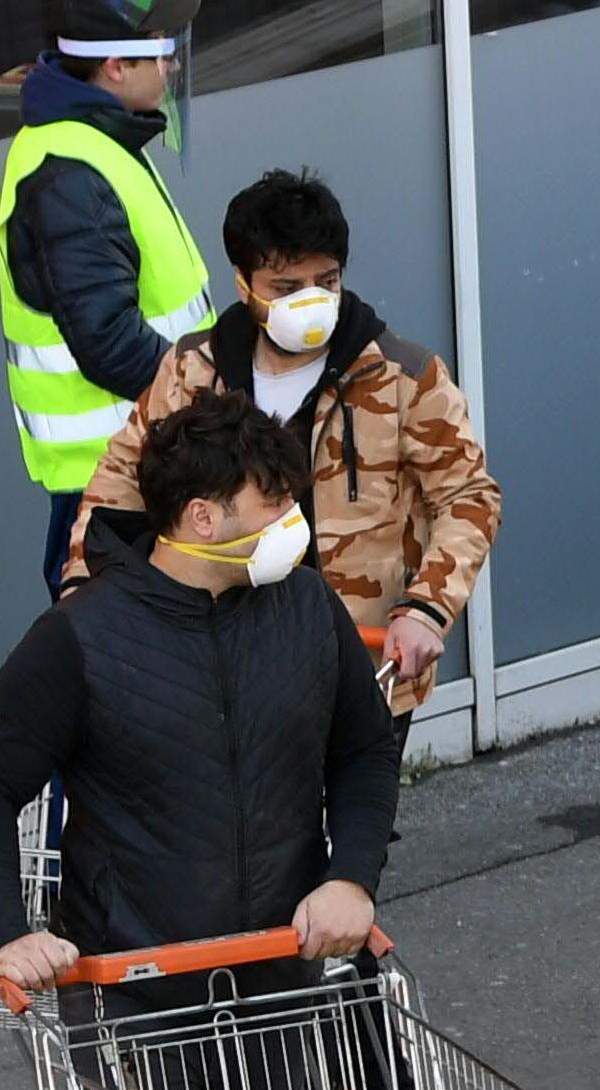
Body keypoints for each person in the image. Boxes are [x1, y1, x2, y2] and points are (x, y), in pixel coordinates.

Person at [0, 393, 398, 1090]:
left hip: (269, 989)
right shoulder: (84, 640)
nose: (295, 527)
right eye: (276, 504)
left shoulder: (302, 614)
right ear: (203, 513)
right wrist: (10, 933)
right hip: (135, 1001)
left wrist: (351, 875)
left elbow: (363, 757)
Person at [72, 169, 499, 726]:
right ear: (243, 284)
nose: (312, 302)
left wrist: (425, 610)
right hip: (213, 663)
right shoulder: (191, 372)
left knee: (354, 815)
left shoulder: (404, 377)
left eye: (327, 281)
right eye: (287, 289)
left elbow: (469, 497)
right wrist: (83, 585)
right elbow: (121, 480)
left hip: (359, 667)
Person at [1, 0, 217, 598]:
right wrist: (212, 400)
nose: (173, 62)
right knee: (128, 675)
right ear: (117, 67)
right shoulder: (69, 171)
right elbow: (109, 340)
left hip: (146, 462)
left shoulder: (99, 137)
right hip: (119, 484)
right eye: (159, 45)